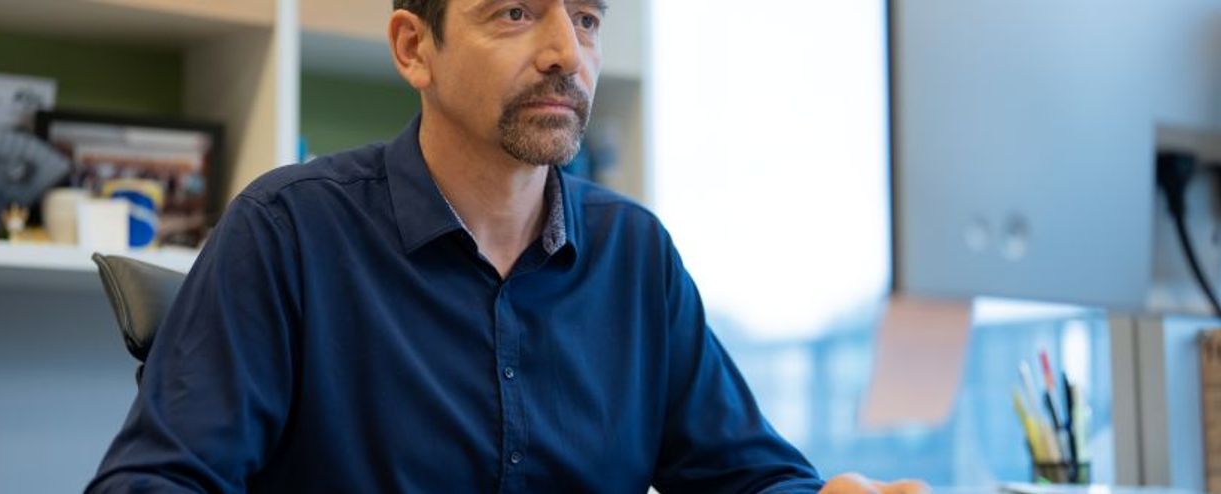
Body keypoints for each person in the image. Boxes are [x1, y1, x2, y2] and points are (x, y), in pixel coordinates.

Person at [87, 1, 928, 492]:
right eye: (517, 13)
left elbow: (745, 476)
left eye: (587, 19)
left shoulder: (635, 256)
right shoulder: (288, 232)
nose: (567, 53)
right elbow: (154, 482)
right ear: (415, 48)